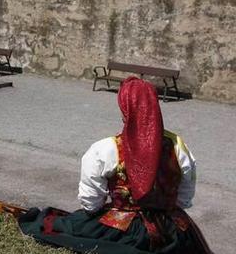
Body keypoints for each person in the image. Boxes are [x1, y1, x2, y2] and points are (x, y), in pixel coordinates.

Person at [18, 78, 211, 253]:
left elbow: (91, 202)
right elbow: (184, 199)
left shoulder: (105, 149)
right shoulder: (179, 147)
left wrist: (101, 214)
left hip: (122, 229)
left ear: (124, 109)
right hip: (172, 230)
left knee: (62, 226)